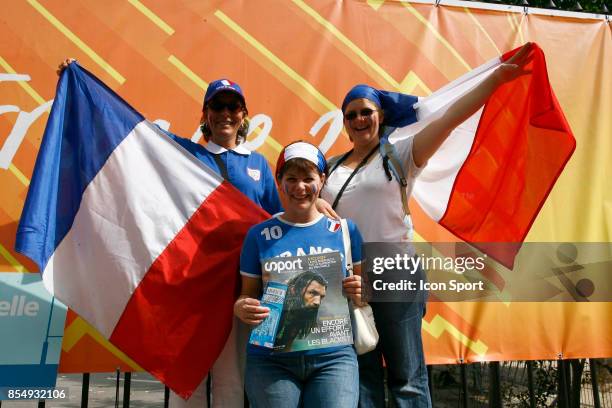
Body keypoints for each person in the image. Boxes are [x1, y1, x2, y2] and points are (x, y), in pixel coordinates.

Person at [320, 43, 535, 407]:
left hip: (395, 270)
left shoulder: (401, 154)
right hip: (349, 277)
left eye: (366, 112)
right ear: (344, 122)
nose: (359, 119)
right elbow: (299, 198)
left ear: (380, 115)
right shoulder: (331, 165)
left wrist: (496, 80)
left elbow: (449, 118)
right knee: (362, 377)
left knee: (407, 378)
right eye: (351, 114)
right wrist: (318, 201)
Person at [235, 141, 364, 408]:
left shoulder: (345, 231)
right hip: (271, 360)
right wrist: (242, 307)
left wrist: (362, 290)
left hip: (333, 358)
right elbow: (245, 296)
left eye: (309, 178)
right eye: (291, 178)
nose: (300, 187)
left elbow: (365, 296)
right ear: (279, 181)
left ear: (322, 180)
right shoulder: (258, 236)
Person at [274, 270, 328, 351]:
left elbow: (286, 348)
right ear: (294, 290)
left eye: (321, 297)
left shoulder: (301, 313)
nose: (317, 302)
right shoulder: (274, 308)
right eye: (312, 293)